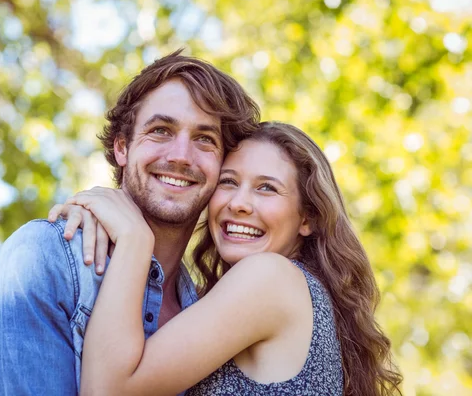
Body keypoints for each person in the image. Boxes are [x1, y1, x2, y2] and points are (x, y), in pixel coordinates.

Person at [0, 50, 260, 395]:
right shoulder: (42, 258)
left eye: (204, 139)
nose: (180, 155)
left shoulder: (205, 309)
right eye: (161, 131)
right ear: (122, 147)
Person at [54, 122, 402, 395]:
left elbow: (108, 391)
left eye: (266, 188)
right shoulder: (294, 292)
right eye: (228, 181)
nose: (238, 203)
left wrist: (133, 239)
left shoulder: (270, 279)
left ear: (308, 218)